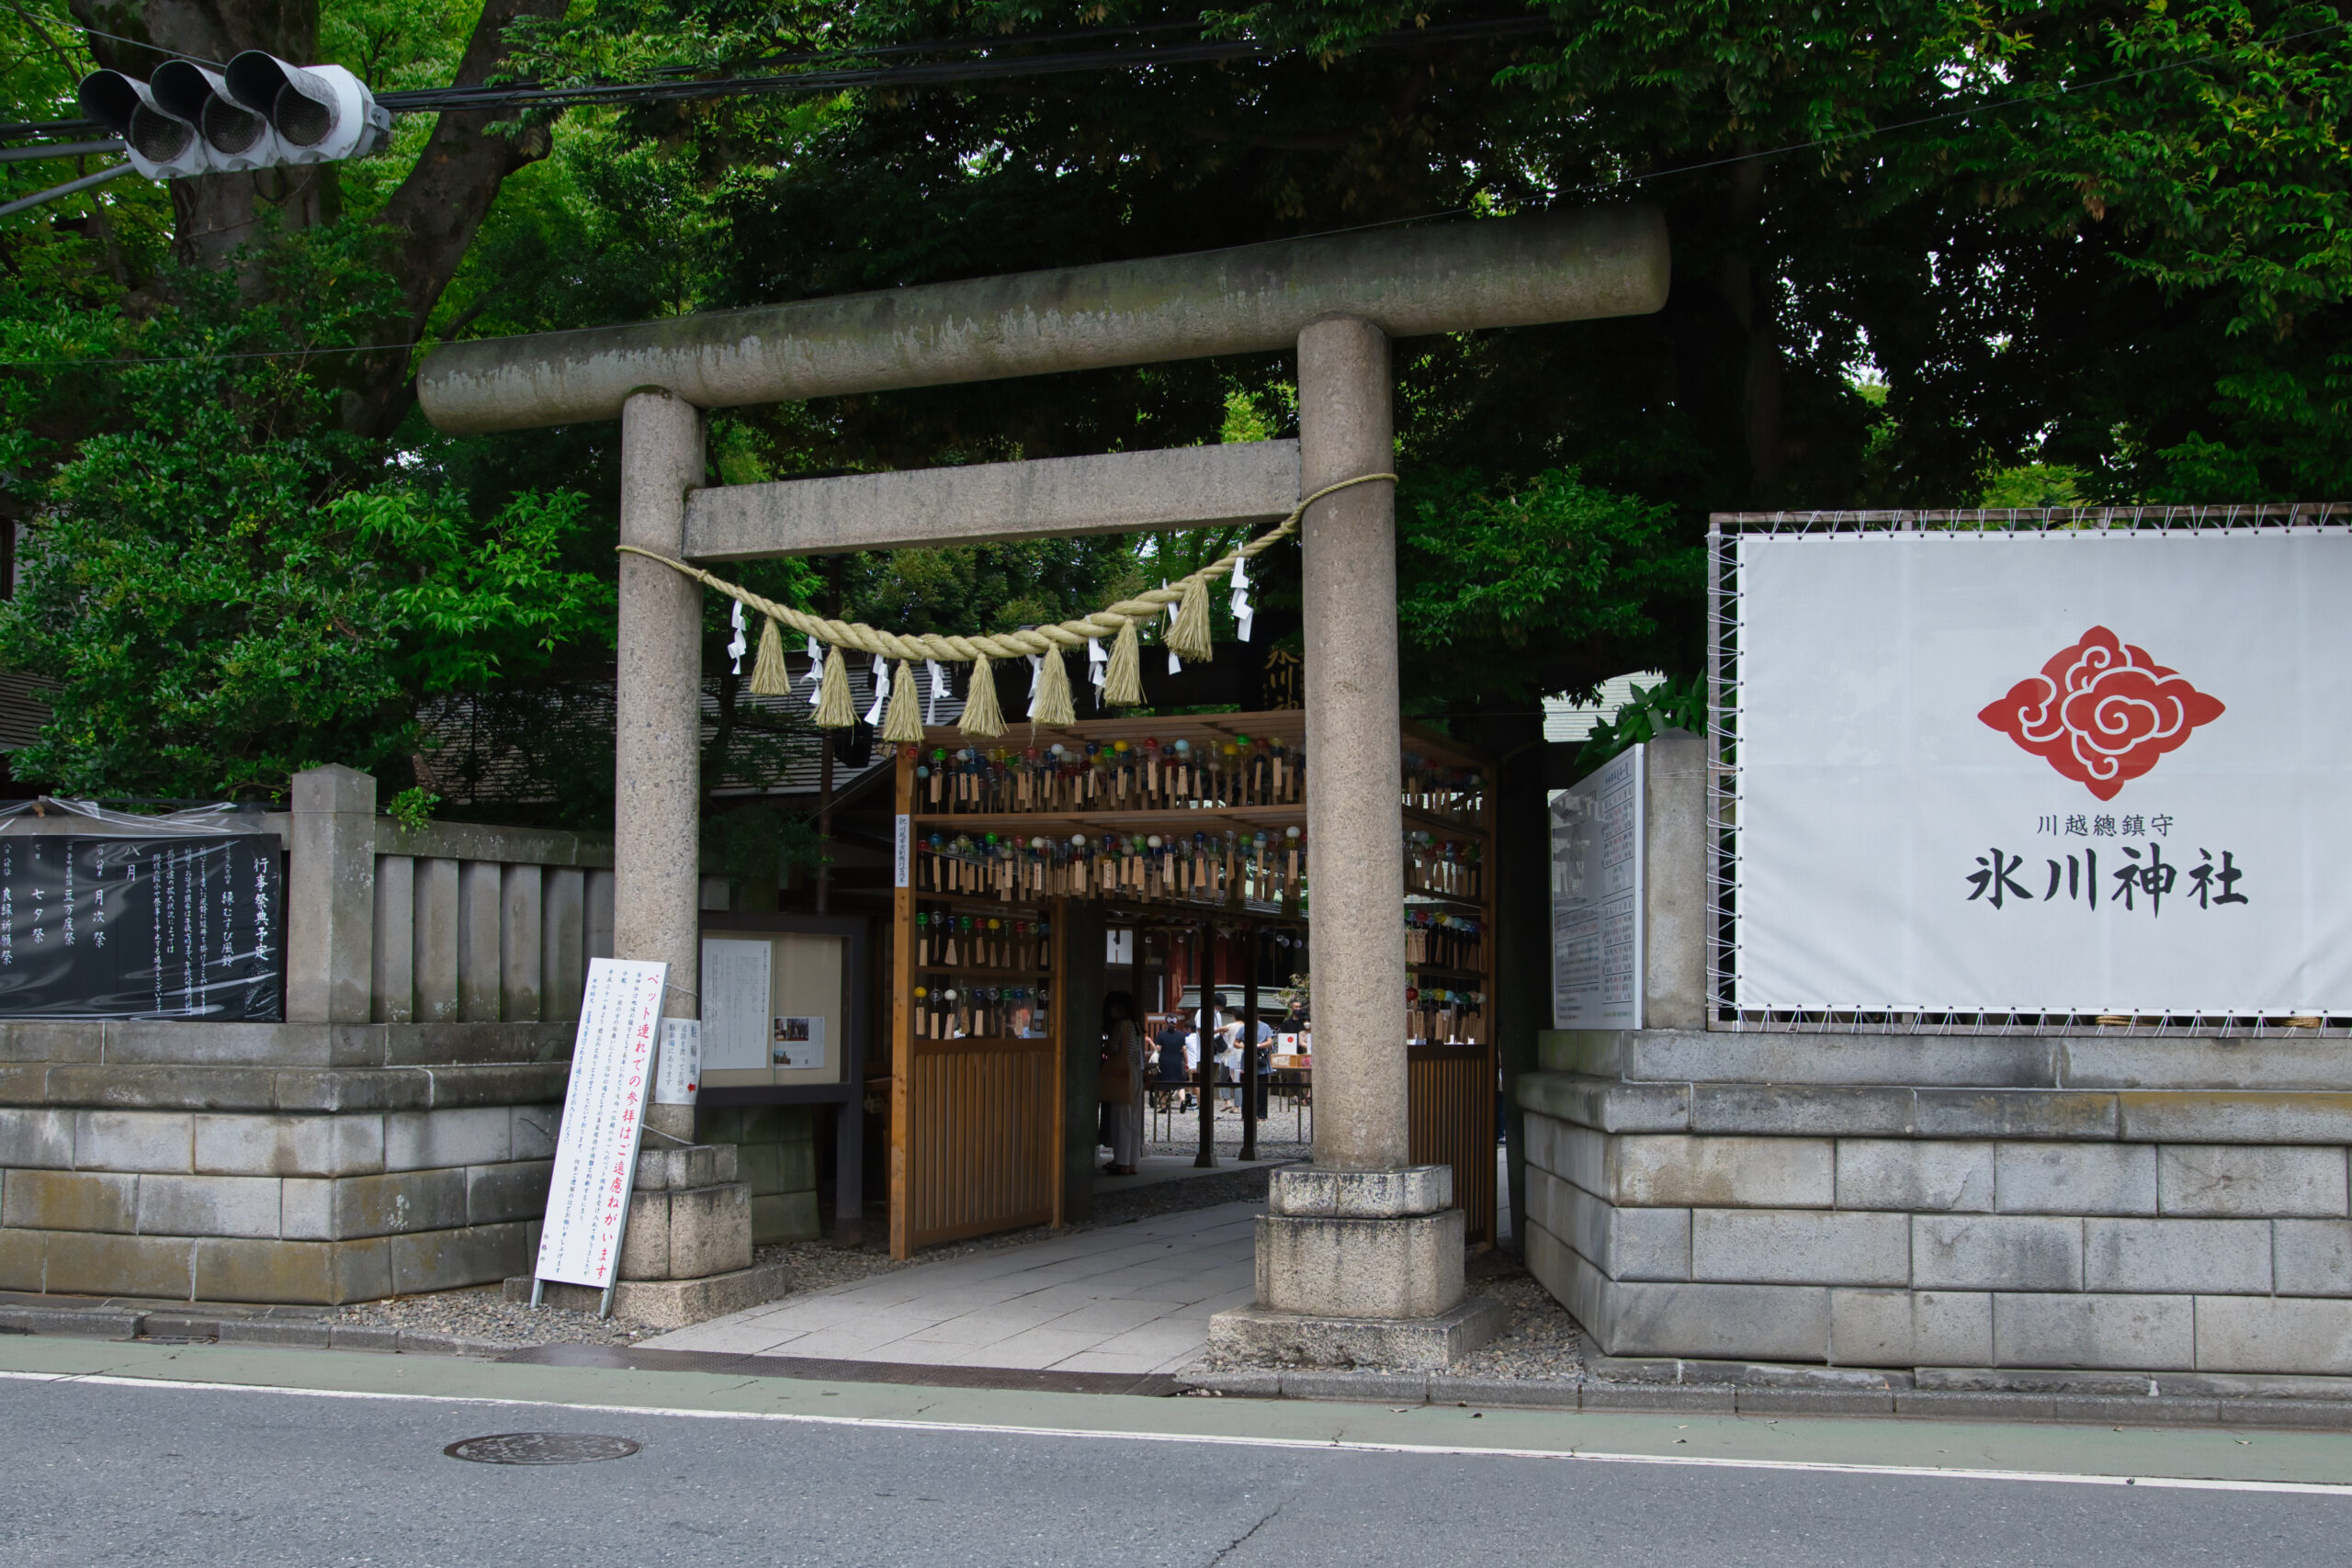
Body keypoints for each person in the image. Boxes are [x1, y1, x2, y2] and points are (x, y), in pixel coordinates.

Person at [1099, 991, 1145, 1176]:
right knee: (1134, 1119)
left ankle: (1122, 1161)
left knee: (1121, 1119)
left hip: (1122, 1074)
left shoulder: (1120, 1026)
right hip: (1135, 1071)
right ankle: (1132, 1161)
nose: (1113, 1010)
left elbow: (1112, 1049)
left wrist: (1104, 1044)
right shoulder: (1136, 1026)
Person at [1153, 1016, 1192, 1111]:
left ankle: (1163, 1106)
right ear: (1176, 1023)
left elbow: (1158, 1048)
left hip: (1164, 1062)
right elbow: (1184, 1049)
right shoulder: (1181, 1035)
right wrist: (1187, 1063)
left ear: (1166, 1022)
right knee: (1179, 1084)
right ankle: (1183, 1101)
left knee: (1162, 1085)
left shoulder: (1161, 1034)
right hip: (1177, 1062)